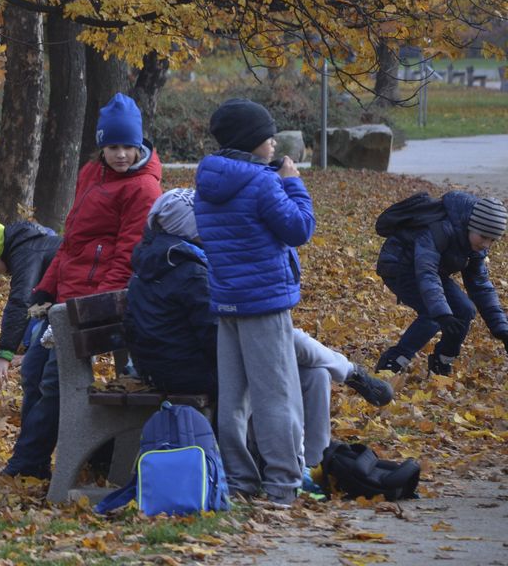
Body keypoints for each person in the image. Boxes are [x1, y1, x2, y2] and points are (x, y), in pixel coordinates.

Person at [125, 188, 392, 478]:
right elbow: (217, 336)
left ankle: (315, 464)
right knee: (280, 341)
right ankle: (347, 372)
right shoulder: (186, 269)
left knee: (314, 372)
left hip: (190, 359)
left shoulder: (177, 257)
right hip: (187, 369)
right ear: (189, 227)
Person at [6, 93, 162, 478]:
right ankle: (39, 460)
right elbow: (73, 242)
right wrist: (46, 289)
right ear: (102, 146)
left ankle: (31, 465)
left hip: (98, 304)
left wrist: (87, 312)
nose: (122, 154)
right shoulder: (91, 174)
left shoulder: (143, 189)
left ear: (140, 144)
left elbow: (126, 258)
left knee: (55, 381)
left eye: (129, 146)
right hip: (66, 298)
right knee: (32, 375)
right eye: (113, 146)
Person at [194, 97, 314, 507]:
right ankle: (282, 483)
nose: (275, 145)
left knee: (234, 398)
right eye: (268, 138)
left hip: (227, 300)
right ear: (251, 143)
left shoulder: (208, 180)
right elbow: (299, 229)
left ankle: (241, 479)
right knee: (275, 394)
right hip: (264, 301)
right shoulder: (263, 182)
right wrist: (293, 182)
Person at [375, 191, 508, 375]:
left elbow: (480, 286)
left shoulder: (475, 247)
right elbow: (426, 271)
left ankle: (442, 362)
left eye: (492, 240)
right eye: (484, 236)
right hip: (399, 265)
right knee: (433, 314)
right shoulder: (441, 229)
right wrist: (443, 314)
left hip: (430, 272)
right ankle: (392, 362)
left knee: (464, 310)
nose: (486, 244)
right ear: (471, 225)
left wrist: (501, 329)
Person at [0, 209, 61, 389]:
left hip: (72, 304)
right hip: (61, 304)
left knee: (41, 372)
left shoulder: (26, 252)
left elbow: (20, 301)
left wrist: (4, 355)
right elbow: (38, 302)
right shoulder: (28, 245)